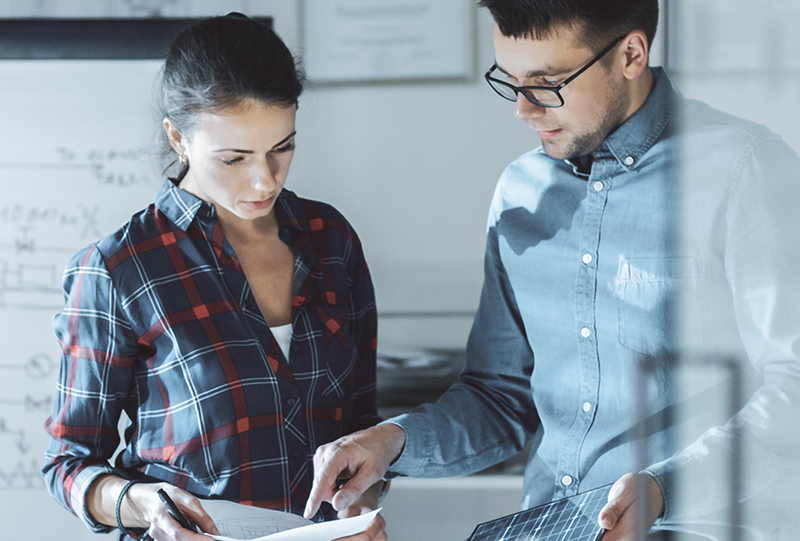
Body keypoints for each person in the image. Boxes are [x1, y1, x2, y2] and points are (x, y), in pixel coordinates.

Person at [303, 1, 800, 539]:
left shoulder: (745, 170)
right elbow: (499, 398)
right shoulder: (520, 191)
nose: (523, 109)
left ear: (631, 54)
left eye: (546, 82)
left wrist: (664, 489)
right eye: (510, 80)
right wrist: (390, 442)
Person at [42, 13, 386, 541]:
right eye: (234, 158)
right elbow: (68, 465)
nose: (263, 179)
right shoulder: (118, 269)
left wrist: (360, 505)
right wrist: (146, 504)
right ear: (178, 138)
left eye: (282, 148)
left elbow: (362, 427)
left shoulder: (331, 240)